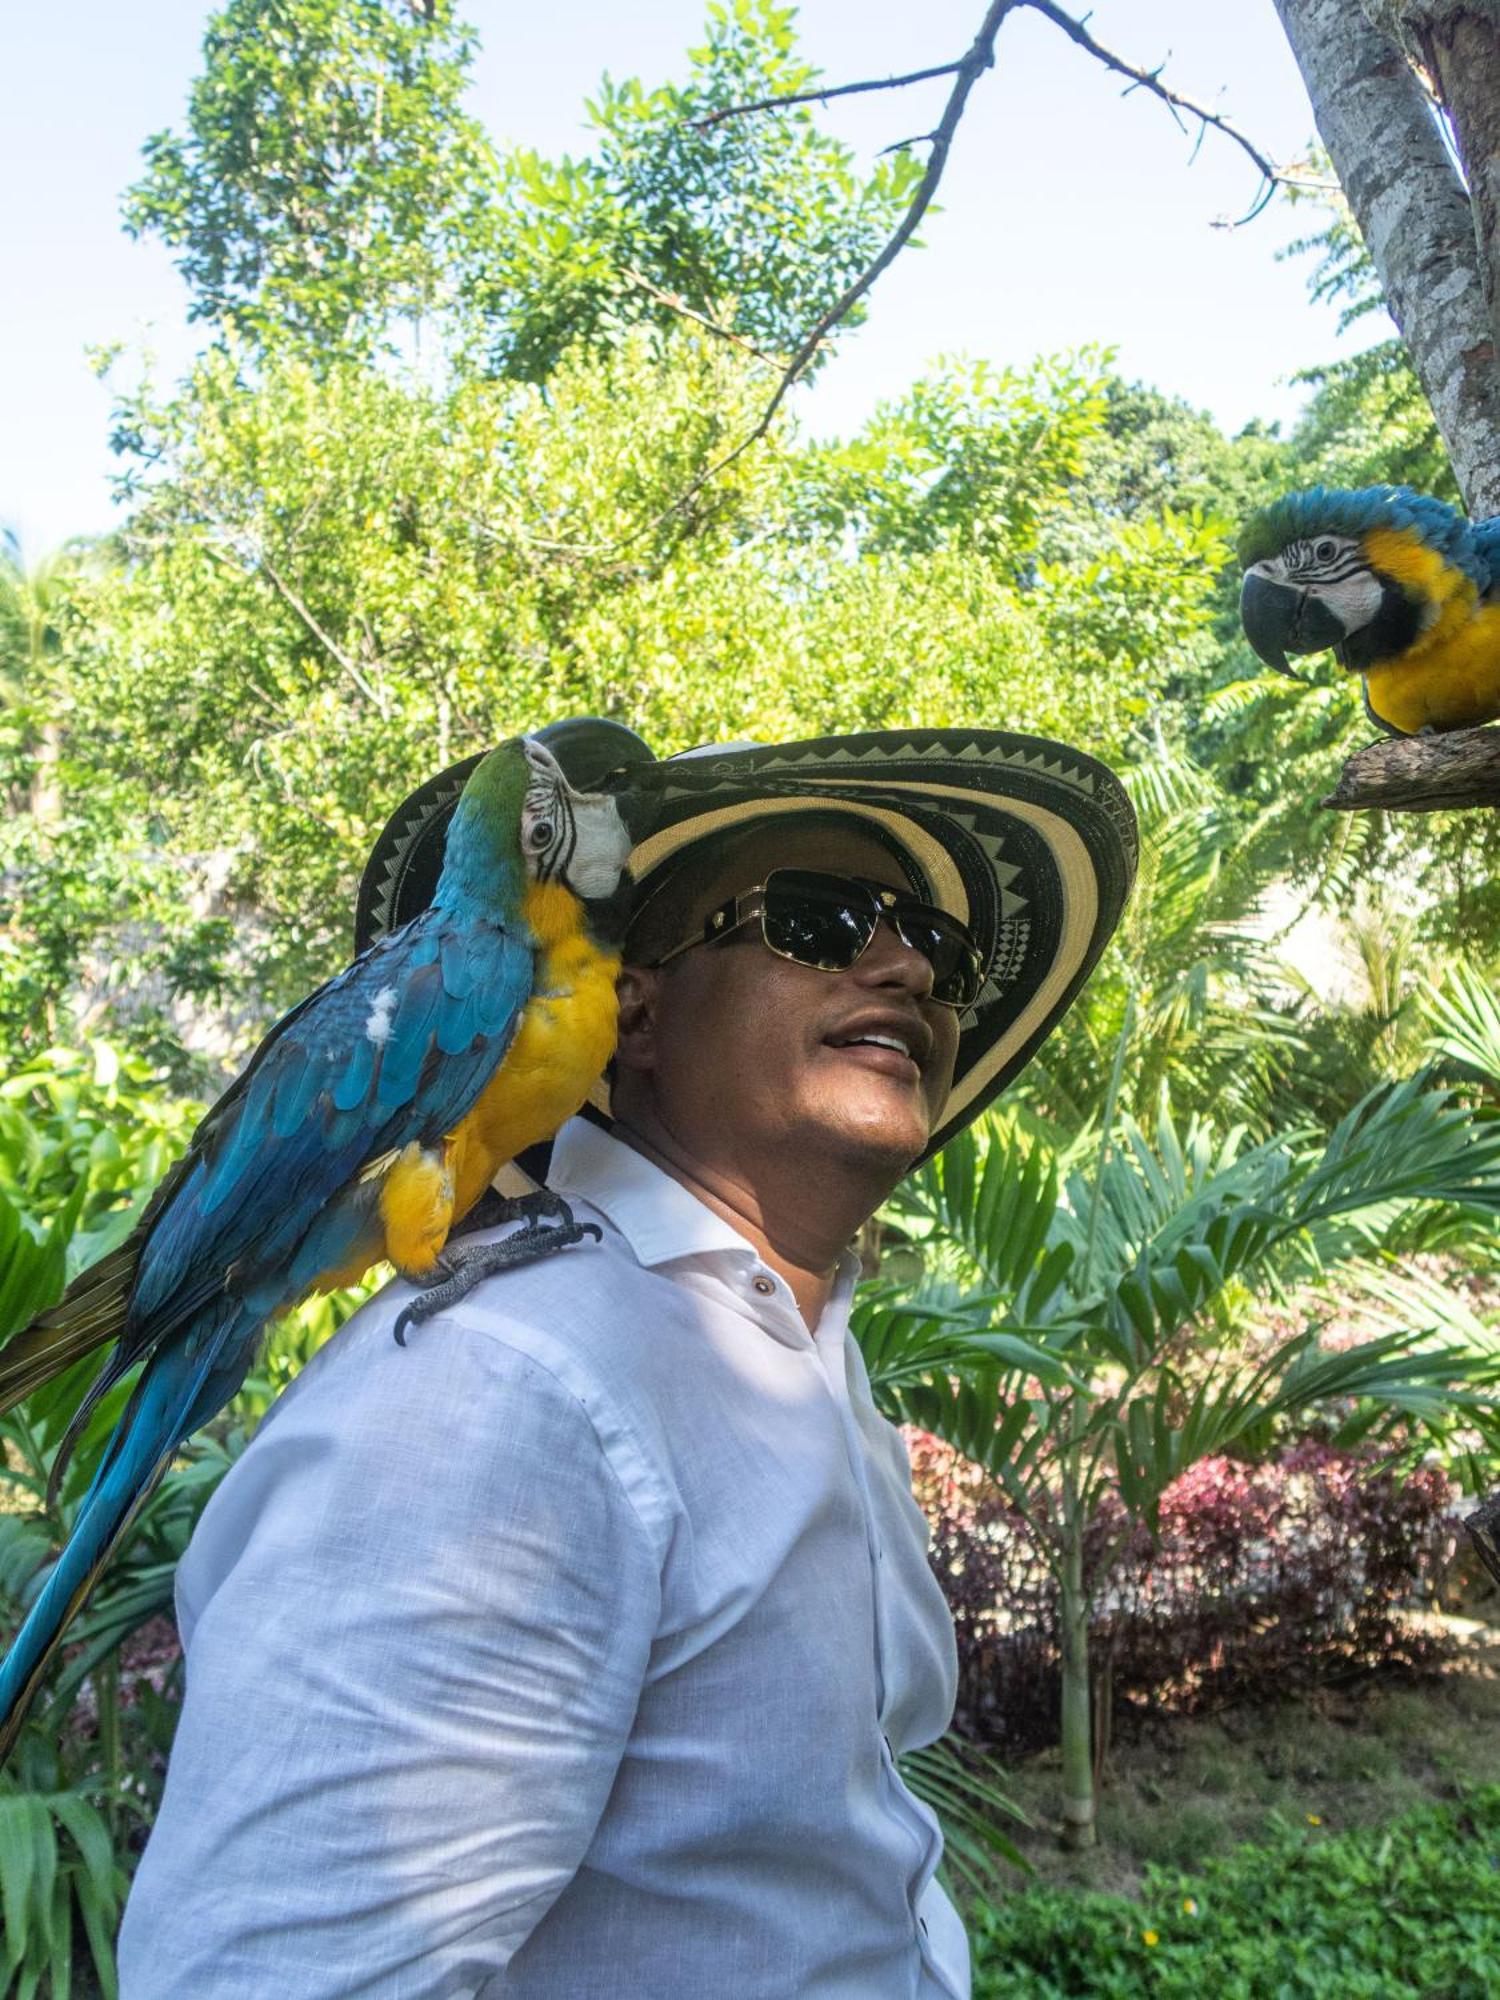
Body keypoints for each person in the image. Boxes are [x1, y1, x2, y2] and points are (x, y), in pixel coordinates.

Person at [117, 723, 1135, 1998]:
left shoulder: (794, 1344)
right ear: (634, 1014)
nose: (904, 966)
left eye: (939, 944)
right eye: (821, 920)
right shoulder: (503, 1389)